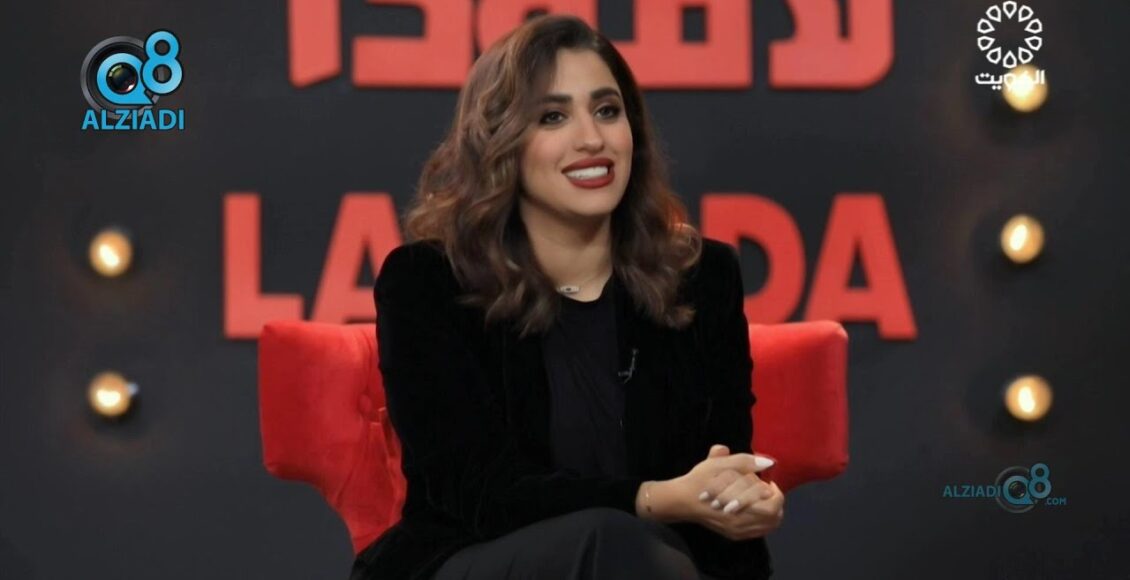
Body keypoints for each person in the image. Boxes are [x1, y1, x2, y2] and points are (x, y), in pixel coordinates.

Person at [350, 14, 784, 580]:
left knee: (637, 551)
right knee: (613, 540)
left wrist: (740, 502)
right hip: (477, 556)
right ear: (500, 142)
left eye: (607, 110)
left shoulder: (702, 278)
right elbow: (477, 492)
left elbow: (720, 467)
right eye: (553, 116)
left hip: (656, 565)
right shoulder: (428, 281)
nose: (592, 139)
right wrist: (655, 499)